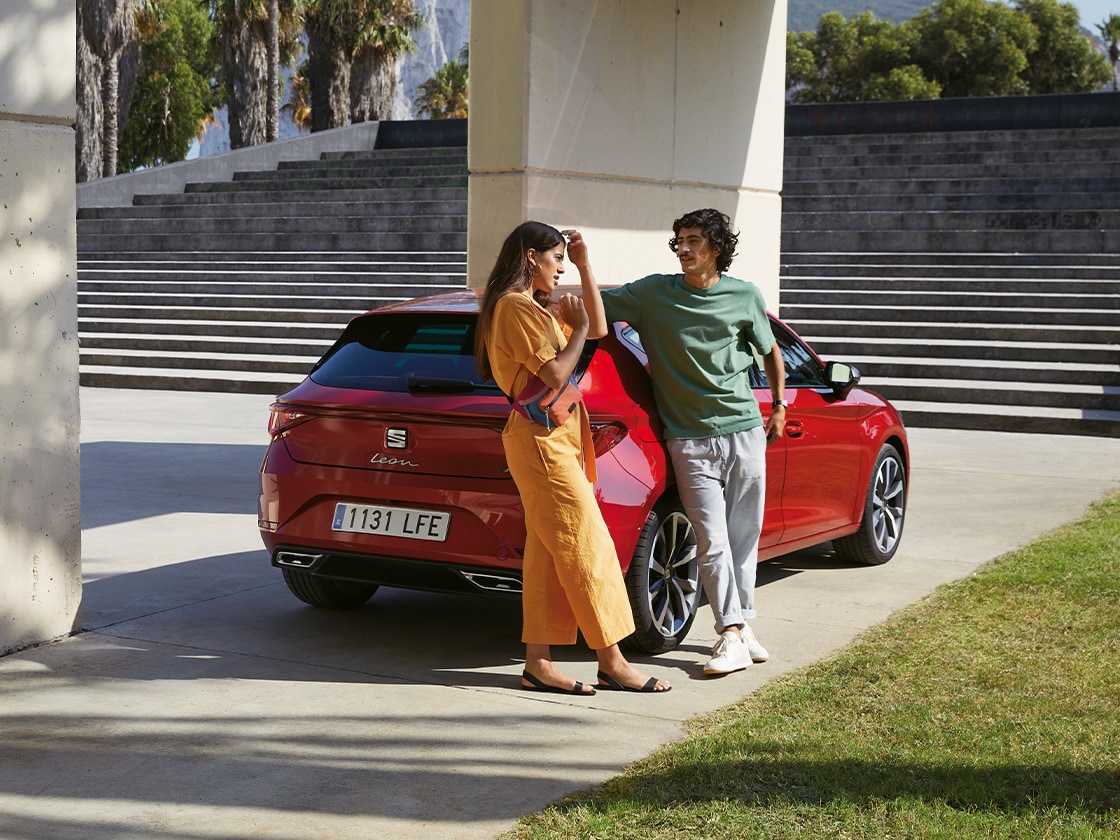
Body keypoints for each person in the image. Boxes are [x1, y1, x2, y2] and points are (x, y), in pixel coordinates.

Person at [475, 221, 671, 695]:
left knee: (547, 555)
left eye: (565, 260)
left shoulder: (537, 308)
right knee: (589, 547)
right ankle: (613, 661)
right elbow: (558, 368)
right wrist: (578, 328)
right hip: (542, 444)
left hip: (556, 439)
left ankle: (538, 663)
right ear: (529, 257)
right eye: (557, 258)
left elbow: (600, 328)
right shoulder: (512, 308)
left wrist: (586, 267)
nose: (560, 268)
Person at [600, 208, 786, 676]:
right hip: (688, 439)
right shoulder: (652, 294)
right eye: (680, 239)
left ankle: (743, 626)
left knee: (744, 537)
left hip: (744, 431)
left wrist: (781, 404)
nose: (683, 248)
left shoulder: (744, 295)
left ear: (717, 248)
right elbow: (596, 308)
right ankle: (730, 634)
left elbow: (770, 349)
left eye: (694, 240)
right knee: (711, 538)